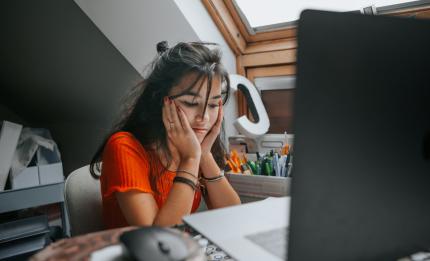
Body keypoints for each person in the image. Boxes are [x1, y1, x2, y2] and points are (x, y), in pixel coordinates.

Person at [90, 41, 241, 229]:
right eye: (191, 103)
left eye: (212, 105)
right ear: (161, 101)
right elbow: (157, 239)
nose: (203, 117)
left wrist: (204, 155)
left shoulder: (195, 147)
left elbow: (233, 218)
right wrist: (191, 158)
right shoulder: (124, 146)